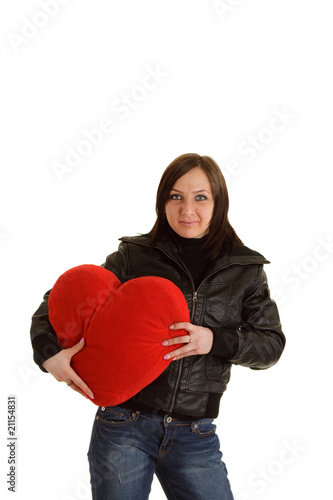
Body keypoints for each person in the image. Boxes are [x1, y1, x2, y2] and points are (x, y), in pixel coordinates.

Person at [30, 153, 285, 500]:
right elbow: (59, 301)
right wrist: (48, 355)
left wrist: (215, 340)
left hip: (196, 434)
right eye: (175, 196)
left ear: (219, 202)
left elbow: (270, 344)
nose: (187, 210)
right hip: (123, 426)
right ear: (162, 201)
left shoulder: (246, 270)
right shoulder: (135, 256)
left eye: (200, 197)